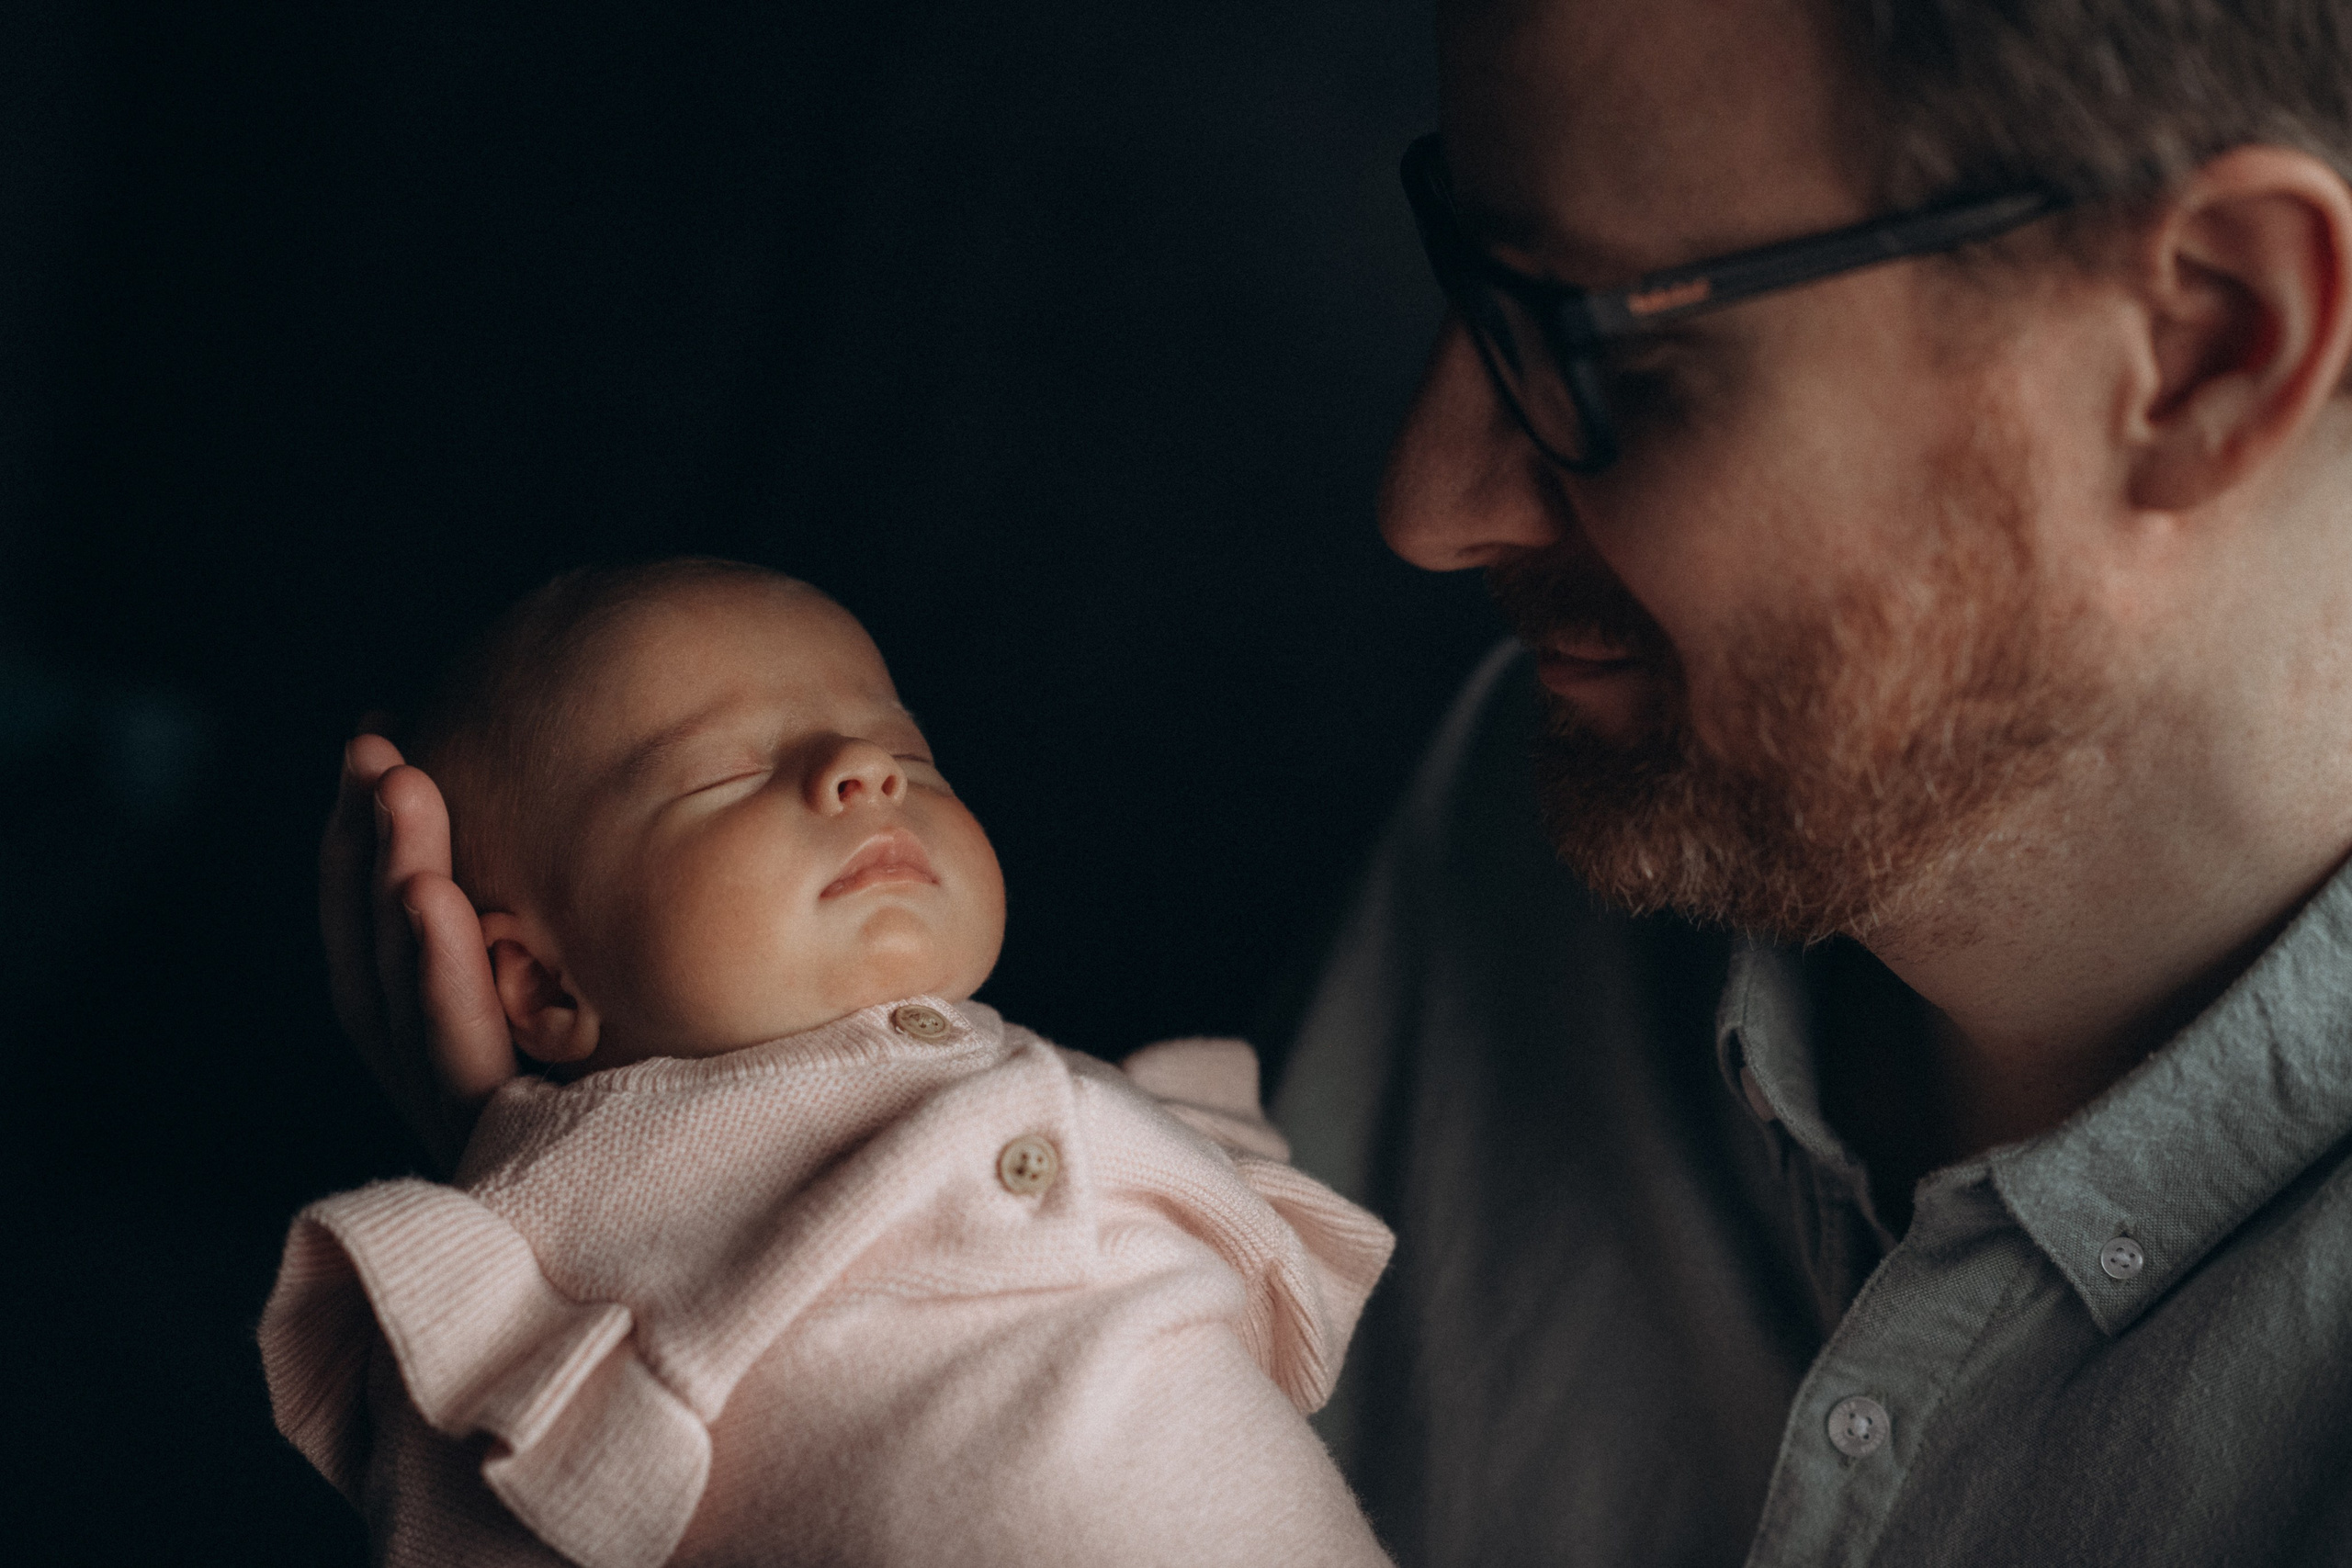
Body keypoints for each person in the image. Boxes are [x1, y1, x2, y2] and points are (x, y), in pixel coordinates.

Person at [327, 1, 2352, 1562]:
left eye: (1597, 353)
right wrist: (646, 1202)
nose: (1423, 499)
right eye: (1459, 276)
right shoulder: (1569, 799)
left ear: (2201, 345)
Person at [277, 560, 1393, 1568]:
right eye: (721, 775)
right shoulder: (557, 1244)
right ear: (547, 989)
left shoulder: (1088, 1094)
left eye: (908, 753)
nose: (864, 770)